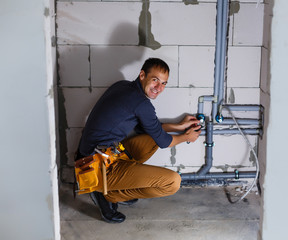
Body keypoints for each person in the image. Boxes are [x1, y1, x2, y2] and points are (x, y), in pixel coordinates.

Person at [76, 58, 201, 223]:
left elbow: (148, 128)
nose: (159, 88)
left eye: (164, 83)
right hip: (95, 168)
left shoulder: (122, 86)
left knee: (151, 139)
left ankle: (114, 186)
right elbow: (165, 142)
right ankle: (109, 194)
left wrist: (178, 126)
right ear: (142, 75)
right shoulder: (142, 104)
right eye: (155, 80)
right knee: (173, 182)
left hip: (95, 155)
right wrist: (187, 137)